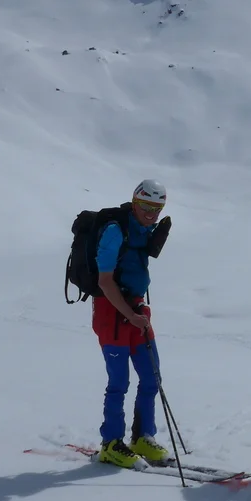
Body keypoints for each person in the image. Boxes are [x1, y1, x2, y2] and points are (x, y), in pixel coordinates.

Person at [93, 179, 173, 468]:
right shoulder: (116, 231)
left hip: (136, 309)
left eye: (157, 208)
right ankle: (111, 444)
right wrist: (128, 313)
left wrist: (135, 312)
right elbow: (104, 281)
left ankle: (142, 437)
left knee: (152, 376)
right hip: (111, 311)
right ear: (135, 202)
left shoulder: (145, 230)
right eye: (146, 206)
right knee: (119, 382)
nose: (151, 213)